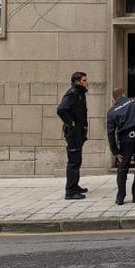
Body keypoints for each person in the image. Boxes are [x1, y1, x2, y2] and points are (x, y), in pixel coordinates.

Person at [56, 71, 89, 200]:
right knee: (73, 161)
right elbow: (61, 110)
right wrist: (72, 124)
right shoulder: (73, 93)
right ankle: (70, 191)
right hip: (73, 134)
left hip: (79, 133)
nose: (87, 82)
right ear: (77, 81)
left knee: (77, 160)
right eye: (84, 80)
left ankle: (75, 186)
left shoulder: (80, 93)